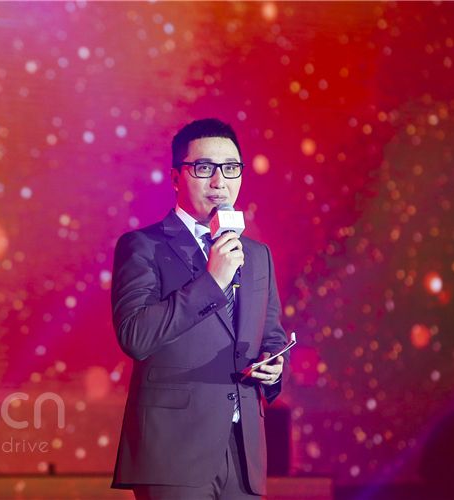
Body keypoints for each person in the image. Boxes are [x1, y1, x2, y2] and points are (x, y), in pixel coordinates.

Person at [111, 118, 289, 499]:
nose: (219, 181)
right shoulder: (143, 246)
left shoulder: (257, 255)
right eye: (204, 168)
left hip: (243, 453)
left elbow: (271, 336)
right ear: (176, 178)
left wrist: (273, 367)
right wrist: (212, 281)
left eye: (231, 168)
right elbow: (135, 335)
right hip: (174, 450)